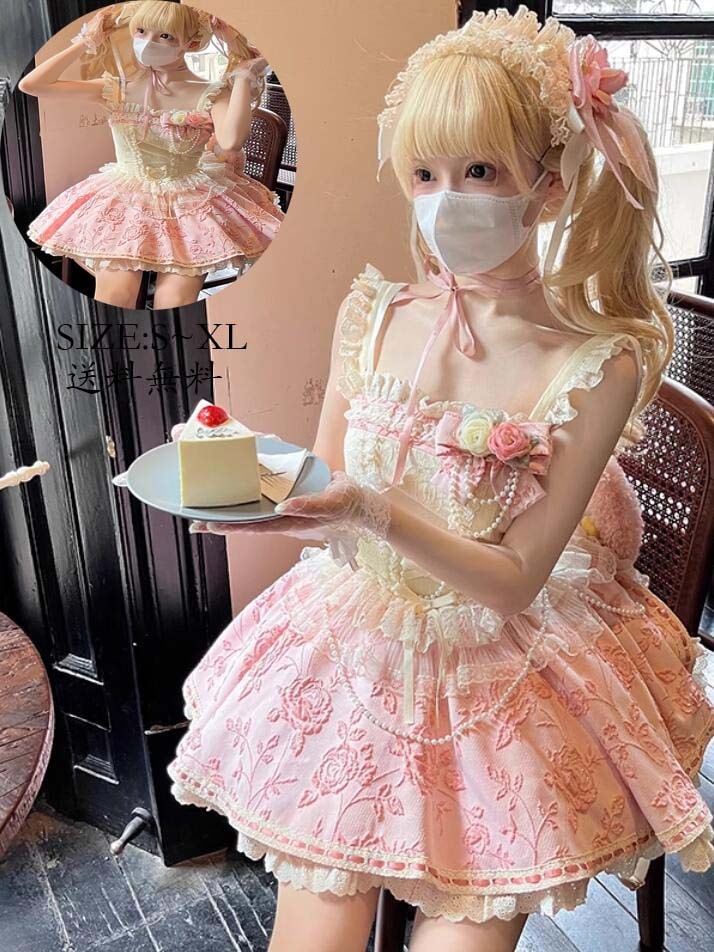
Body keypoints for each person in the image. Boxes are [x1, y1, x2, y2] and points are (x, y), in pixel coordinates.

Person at [166, 7, 714, 951]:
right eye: (424, 173)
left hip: (508, 668)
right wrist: (270, 508)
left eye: (481, 172)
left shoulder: (598, 363)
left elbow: (514, 582)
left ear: (548, 186)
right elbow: (331, 492)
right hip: (355, 645)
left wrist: (369, 510)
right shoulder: (375, 314)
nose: (445, 200)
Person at [19, 1, 284, 309]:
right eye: (141, 31)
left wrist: (242, 77)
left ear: (191, 44)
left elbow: (231, 141)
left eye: (165, 36)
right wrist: (86, 41)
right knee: (116, 294)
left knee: (174, 299)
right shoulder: (117, 87)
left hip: (190, 201)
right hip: (125, 197)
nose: (147, 43)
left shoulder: (211, 92)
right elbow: (31, 85)